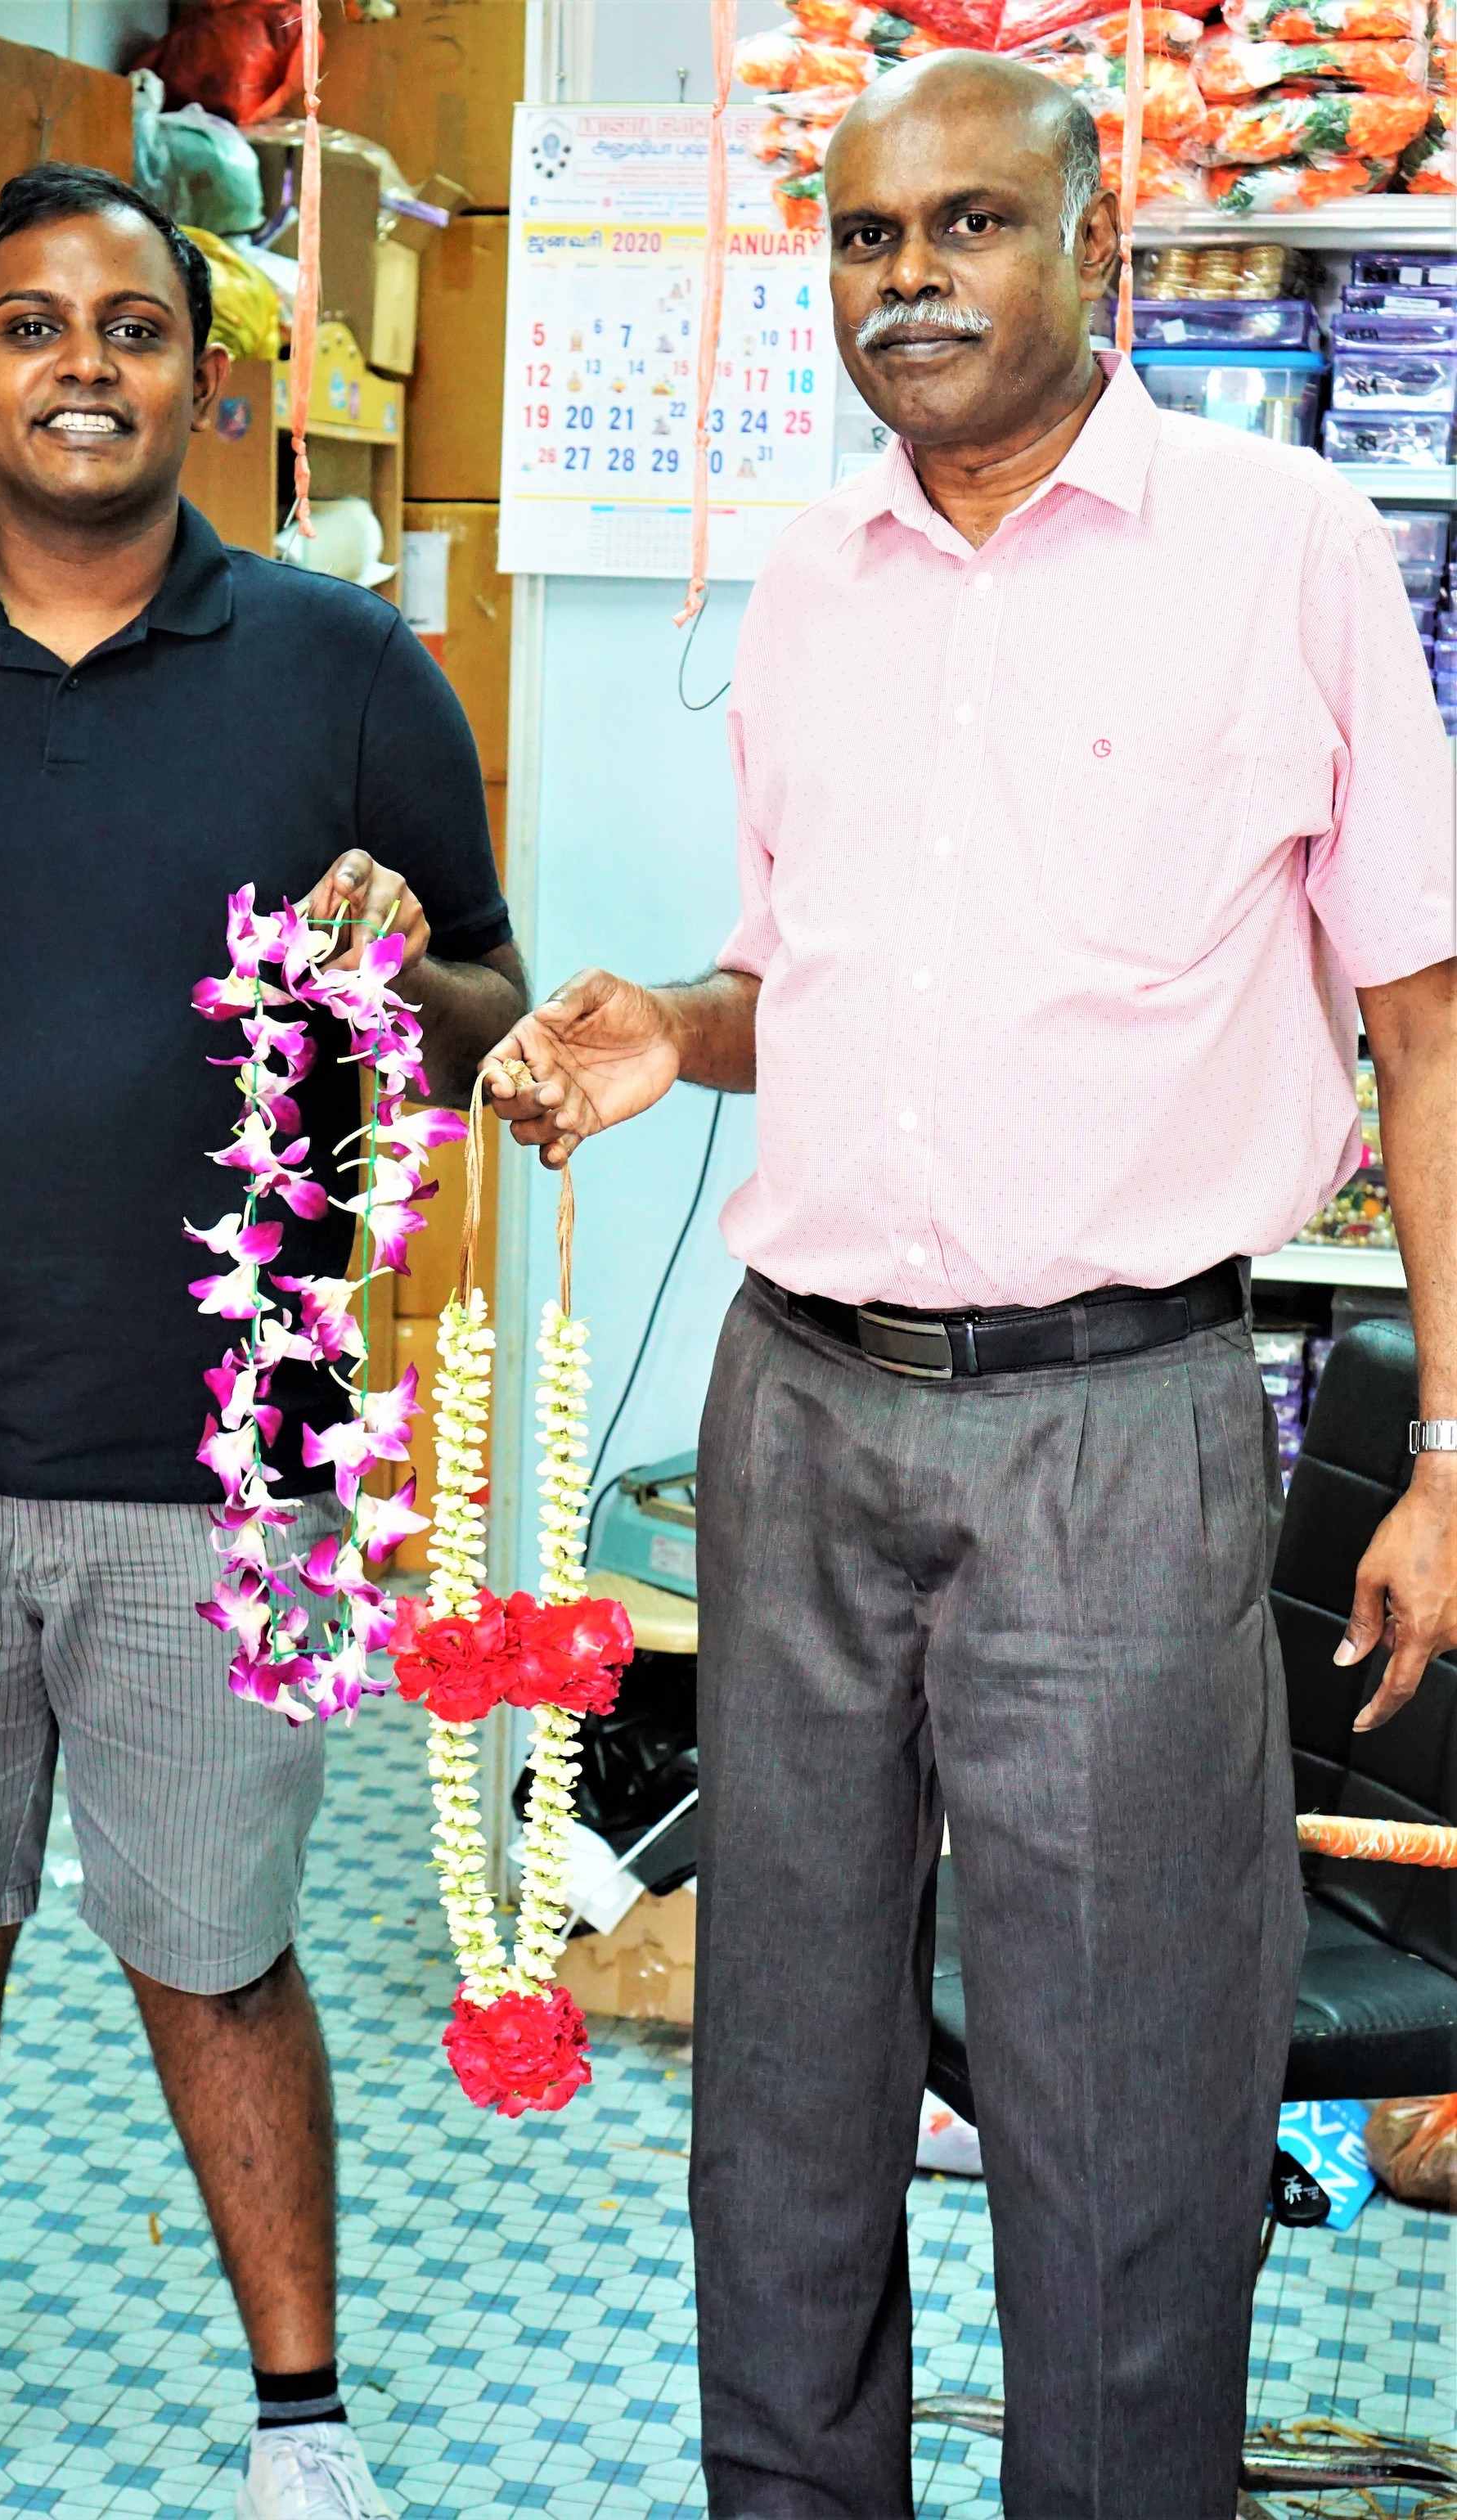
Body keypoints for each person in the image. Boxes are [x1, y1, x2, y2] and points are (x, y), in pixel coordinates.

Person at [485, 54, 1456, 2520]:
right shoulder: (811, 586)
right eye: (864, 237)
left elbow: (1430, 1028)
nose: (906, 278)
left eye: (966, 226)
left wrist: (1450, 1448)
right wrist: (661, 1029)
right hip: (801, 1411)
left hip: (1111, 1431)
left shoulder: (1287, 546)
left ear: (1094, 238)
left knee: (1121, 2098)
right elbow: (797, 986)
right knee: (785, 2091)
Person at [0, 164, 524, 2520]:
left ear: (202, 373)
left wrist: (389, 962)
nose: (82, 366)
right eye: (30, 325)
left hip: (232, 1455)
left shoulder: (353, 673)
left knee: (218, 1952)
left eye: (132, 328)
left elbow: (488, 1020)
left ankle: (303, 2437)